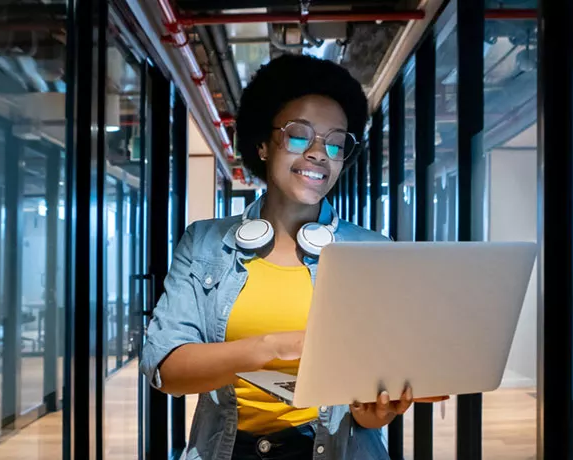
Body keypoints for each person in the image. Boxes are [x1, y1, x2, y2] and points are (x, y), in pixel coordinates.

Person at [142, 54, 443, 460]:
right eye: (299, 135)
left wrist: (376, 412)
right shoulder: (205, 243)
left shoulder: (374, 252)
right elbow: (166, 368)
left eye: (335, 142)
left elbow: (367, 412)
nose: (320, 153)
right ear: (263, 145)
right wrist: (272, 347)